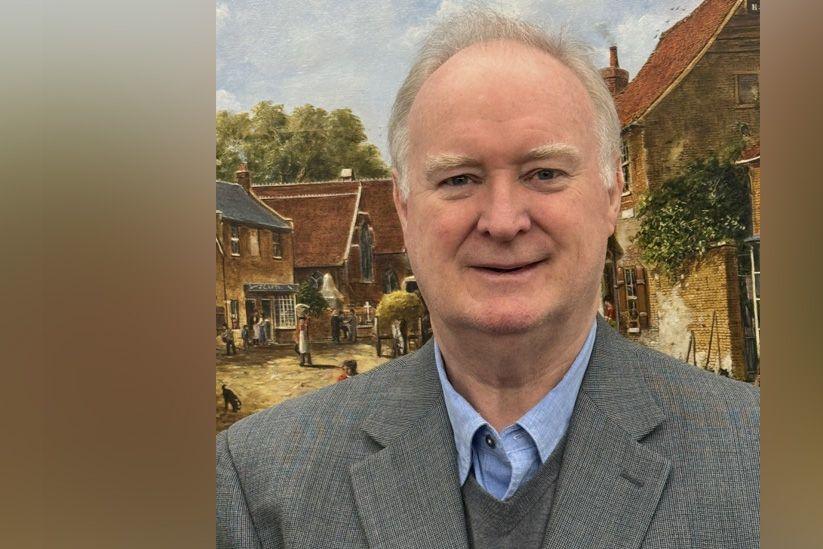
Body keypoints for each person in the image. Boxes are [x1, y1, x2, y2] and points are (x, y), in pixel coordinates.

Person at [218, 9, 759, 548]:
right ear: (405, 211)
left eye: (544, 174)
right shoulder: (258, 478)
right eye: (459, 179)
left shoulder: (758, 458)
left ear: (611, 194)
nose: (503, 221)